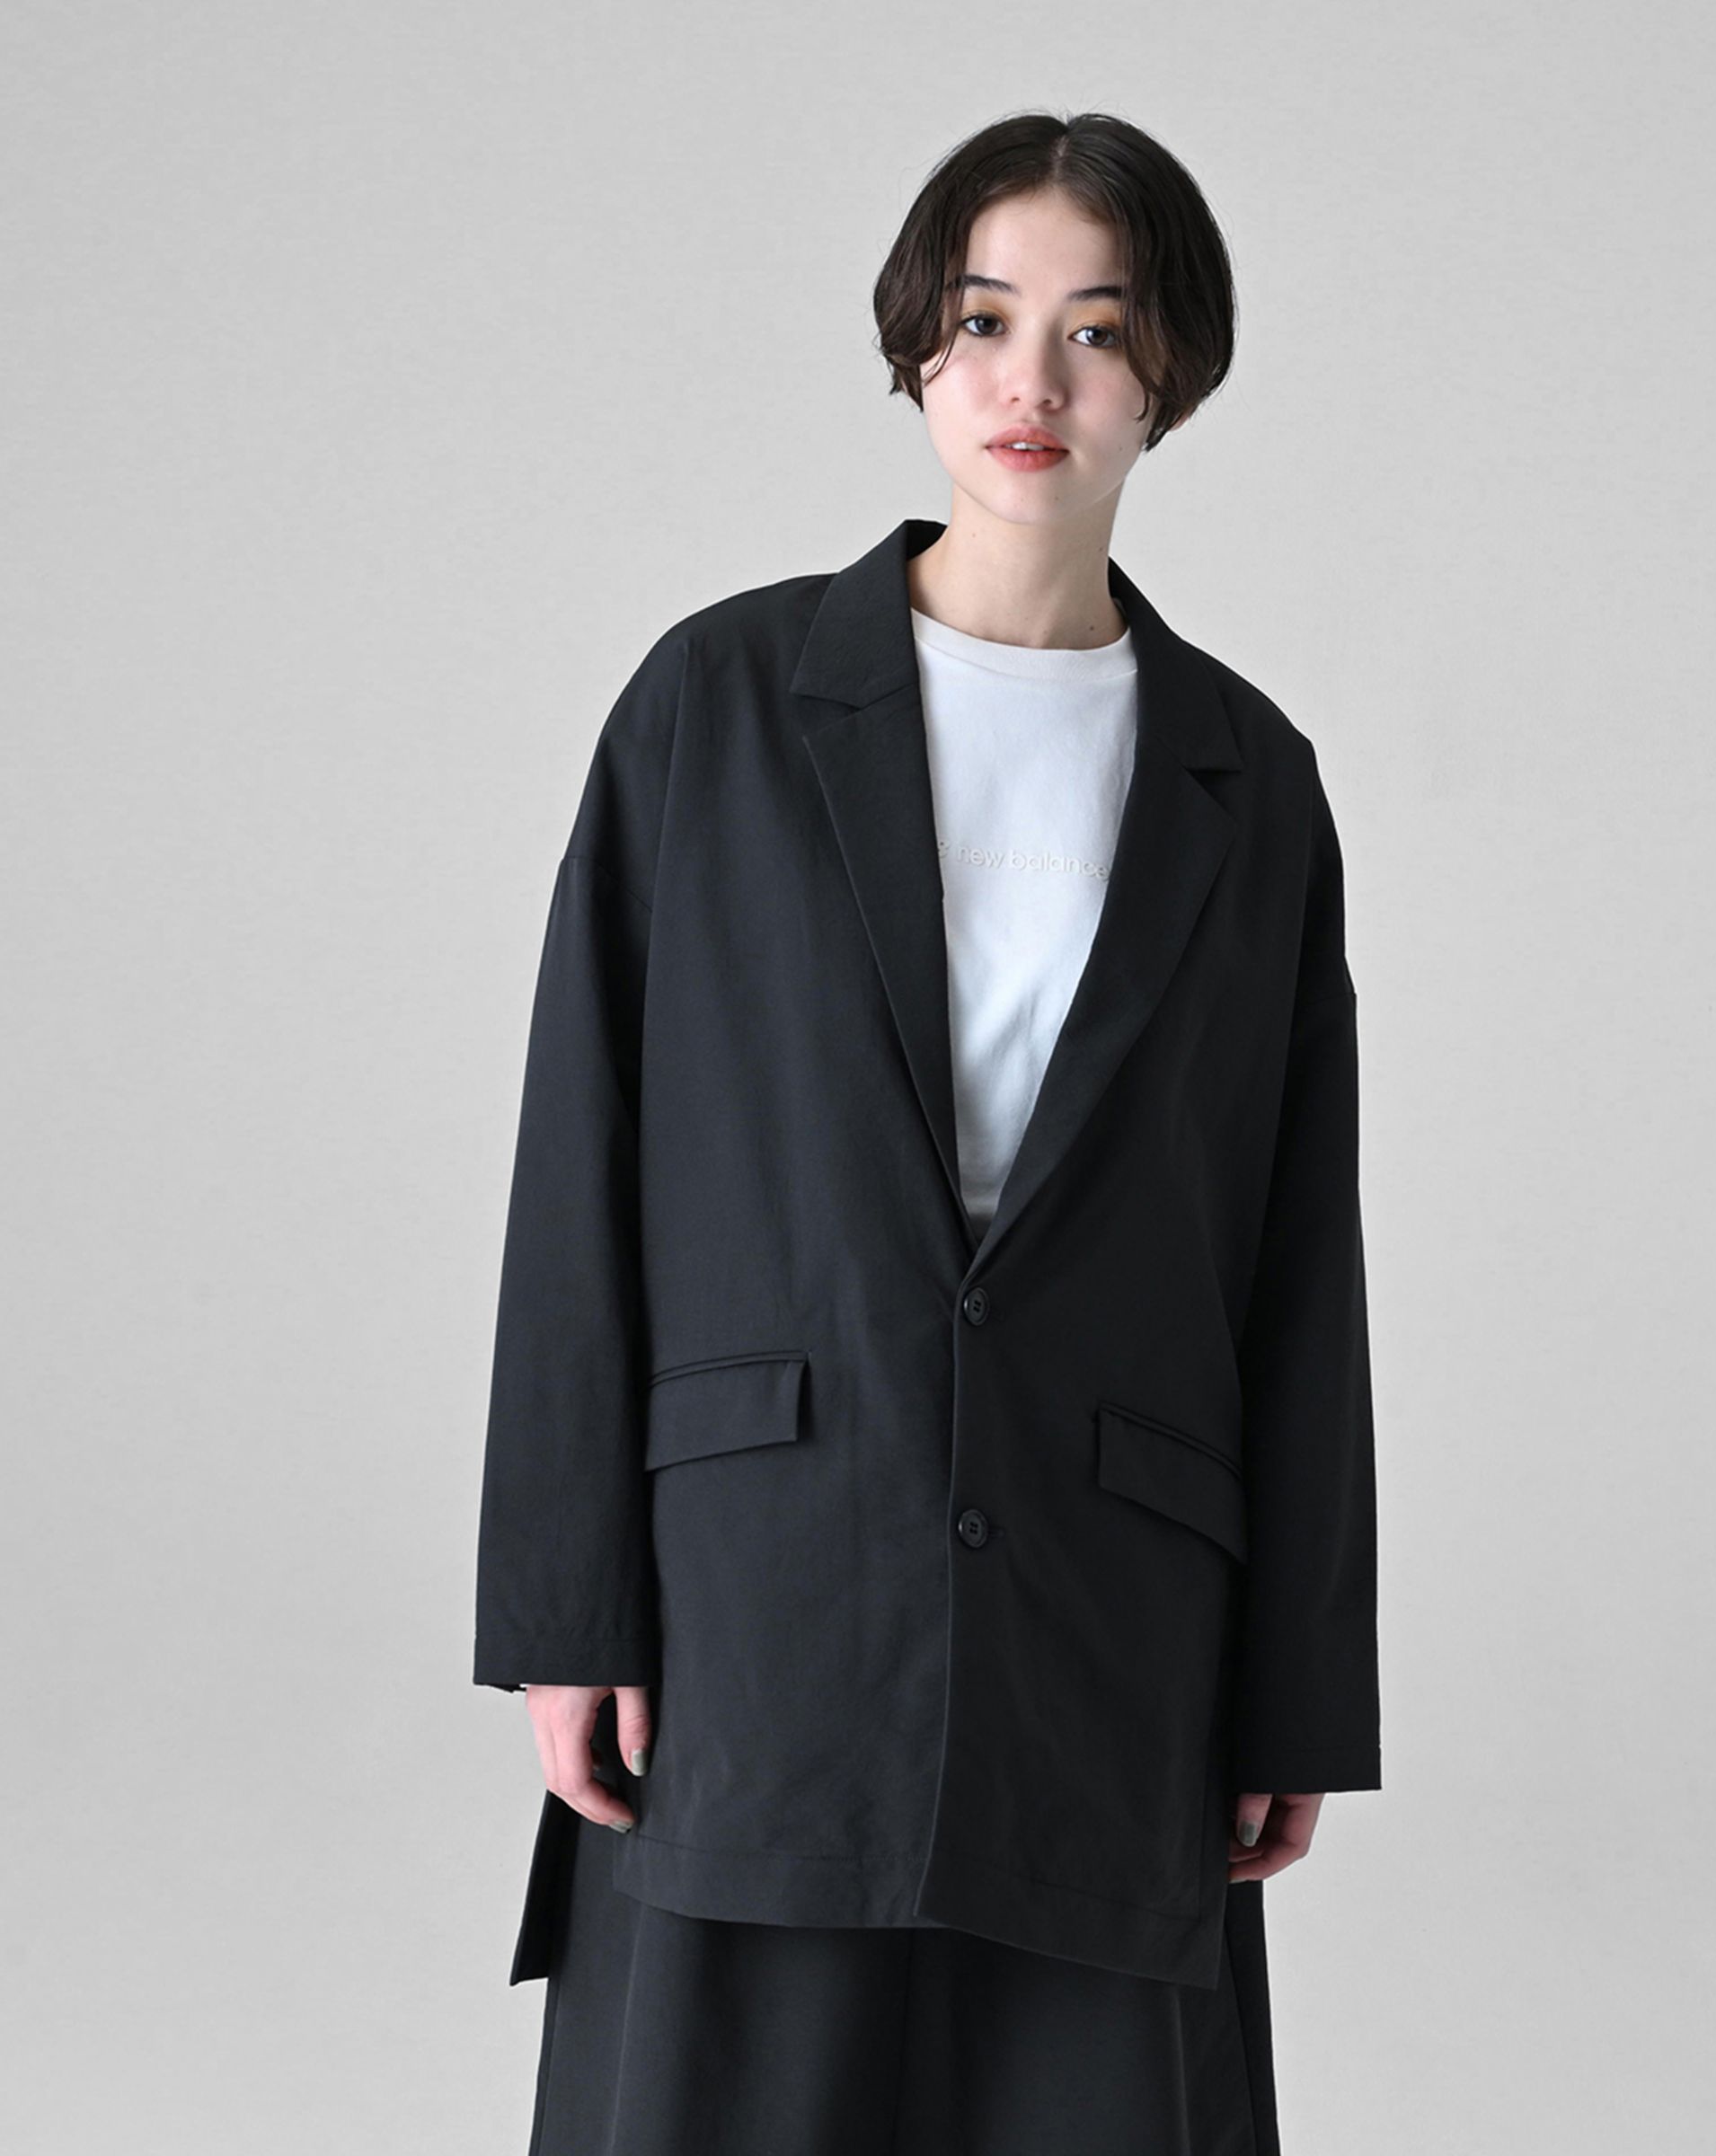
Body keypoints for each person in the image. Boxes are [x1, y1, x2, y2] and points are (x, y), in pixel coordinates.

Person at [473, 110, 1379, 2155]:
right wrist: (563, 1605)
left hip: (1114, 1619)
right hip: (759, 1596)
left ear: (1171, 370)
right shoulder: (714, 706)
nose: (1029, 380)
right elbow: (580, 1157)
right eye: (982, 320)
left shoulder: (1250, 781)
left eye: (1096, 328)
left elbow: (1292, 1250)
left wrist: (1297, 1680)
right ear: (915, 347)